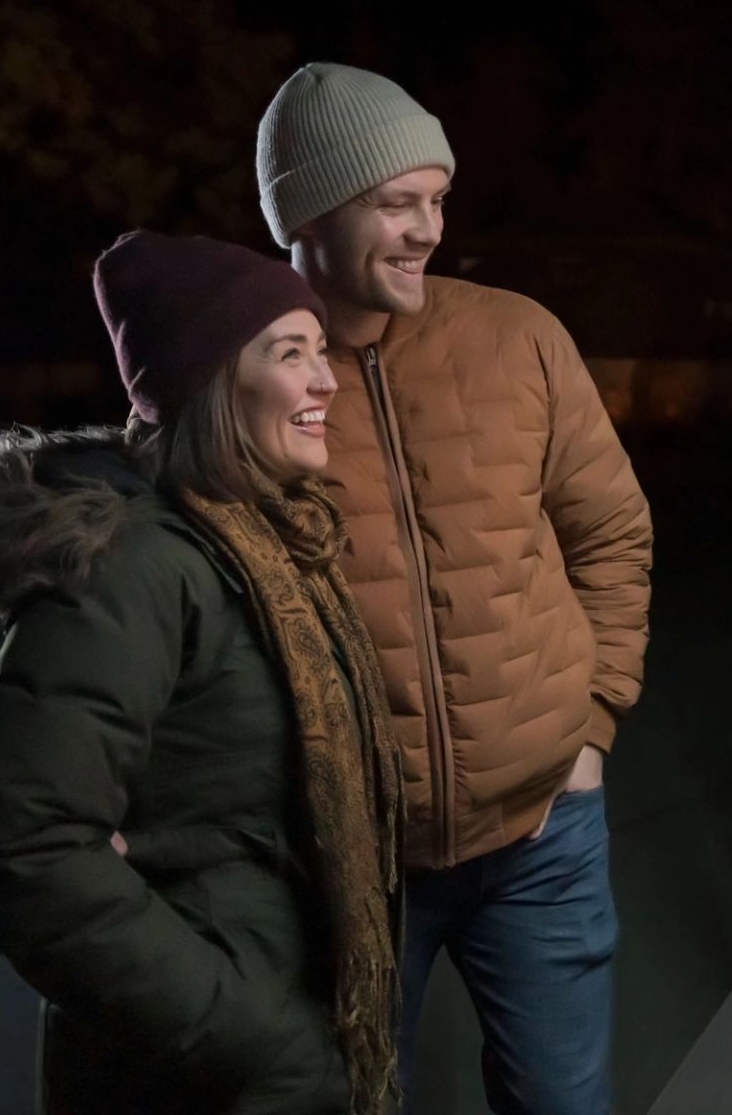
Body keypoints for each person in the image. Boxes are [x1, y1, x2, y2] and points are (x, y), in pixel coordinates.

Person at [0, 232, 404, 1114]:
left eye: (321, 351)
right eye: (290, 354)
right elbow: (19, 856)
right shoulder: (138, 564)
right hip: (194, 1075)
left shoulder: (274, 542)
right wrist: (267, 1045)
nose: (327, 380)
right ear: (211, 385)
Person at [256, 63, 654, 1114]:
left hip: (541, 834)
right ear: (308, 213)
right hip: (347, 861)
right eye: (396, 203)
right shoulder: (247, 375)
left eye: (438, 199)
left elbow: (611, 530)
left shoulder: (518, 336)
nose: (428, 228)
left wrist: (595, 718)